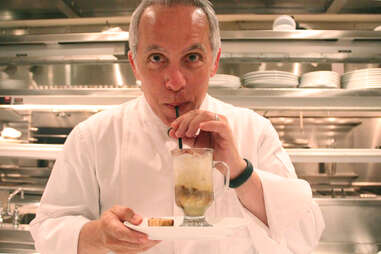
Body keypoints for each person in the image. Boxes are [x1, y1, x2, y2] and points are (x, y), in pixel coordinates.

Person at [30, 0, 325, 253]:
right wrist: (98, 236)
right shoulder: (92, 137)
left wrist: (239, 172)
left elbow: (306, 234)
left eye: (192, 58)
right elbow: (47, 229)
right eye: (157, 58)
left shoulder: (254, 130)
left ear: (214, 61)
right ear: (134, 64)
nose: (175, 82)